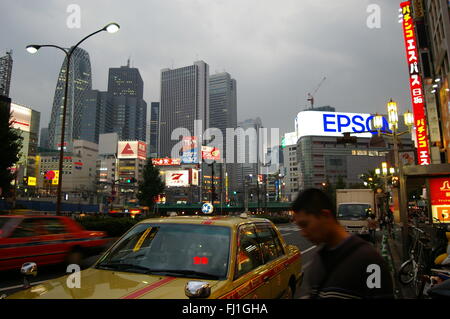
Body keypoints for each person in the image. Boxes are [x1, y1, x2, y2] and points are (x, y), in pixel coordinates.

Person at [292, 188, 394, 299]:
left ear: (326, 216)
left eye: (305, 224)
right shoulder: (318, 259)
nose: (303, 233)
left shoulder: (370, 261)